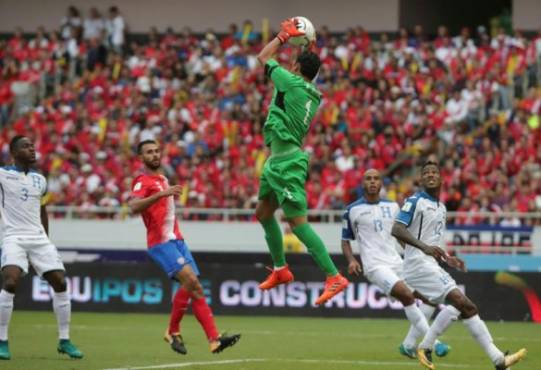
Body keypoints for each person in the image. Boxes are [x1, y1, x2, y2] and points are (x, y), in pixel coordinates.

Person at [391, 161, 527, 370]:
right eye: (425, 173)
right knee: (463, 303)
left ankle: (498, 360)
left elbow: (433, 242)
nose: (430, 175)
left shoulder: (442, 208)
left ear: (441, 179)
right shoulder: (415, 200)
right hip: (419, 266)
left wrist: (447, 257)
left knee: (464, 307)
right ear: (421, 179)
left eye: (434, 172)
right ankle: (427, 347)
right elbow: (397, 229)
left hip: (430, 264)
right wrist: (422, 248)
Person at [254, 18, 348, 305]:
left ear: (295, 69)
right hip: (275, 163)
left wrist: (283, 37)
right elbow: (309, 69)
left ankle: (334, 276)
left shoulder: (289, 81)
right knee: (263, 213)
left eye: (294, 62)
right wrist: (310, 47)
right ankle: (281, 269)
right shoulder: (311, 92)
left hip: (288, 163)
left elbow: (263, 57)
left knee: (298, 224)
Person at [128, 140, 240, 355]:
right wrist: (161, 194)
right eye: (149, 152)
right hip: (161, 242)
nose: (154, 154)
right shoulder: (142, 181)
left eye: (156, 150)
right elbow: (133, 206)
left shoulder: (162, 179)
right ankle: (172, 331)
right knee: (190, 280)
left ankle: (214, 340)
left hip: (177, 240)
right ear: (141, 158)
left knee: (196, 287)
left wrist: (164, 191)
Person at [341, 169, 450, 359]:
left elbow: (400, 235)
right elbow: (345, 240)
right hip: (375, 266)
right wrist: (351, 260)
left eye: (376, 178)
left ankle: (408, 344)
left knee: (431, 297)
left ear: (381, 183)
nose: (373, 182)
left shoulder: (392, 206)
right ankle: (433, 343)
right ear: (363, 184)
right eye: (368, 179)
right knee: (407, 296)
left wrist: (416, 255)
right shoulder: (351, 210)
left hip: (397, 261)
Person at [0, 136, 83, 360]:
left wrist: (46, 240)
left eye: (32, 145)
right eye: (26, 146)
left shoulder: (40, 180)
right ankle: (2, 340)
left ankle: (64, 340)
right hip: (13, 237)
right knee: (10, 281)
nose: (32, 149)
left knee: (60, 281)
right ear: (14, 153)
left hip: (39, 238)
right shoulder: (2, 175)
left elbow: (42, 210)